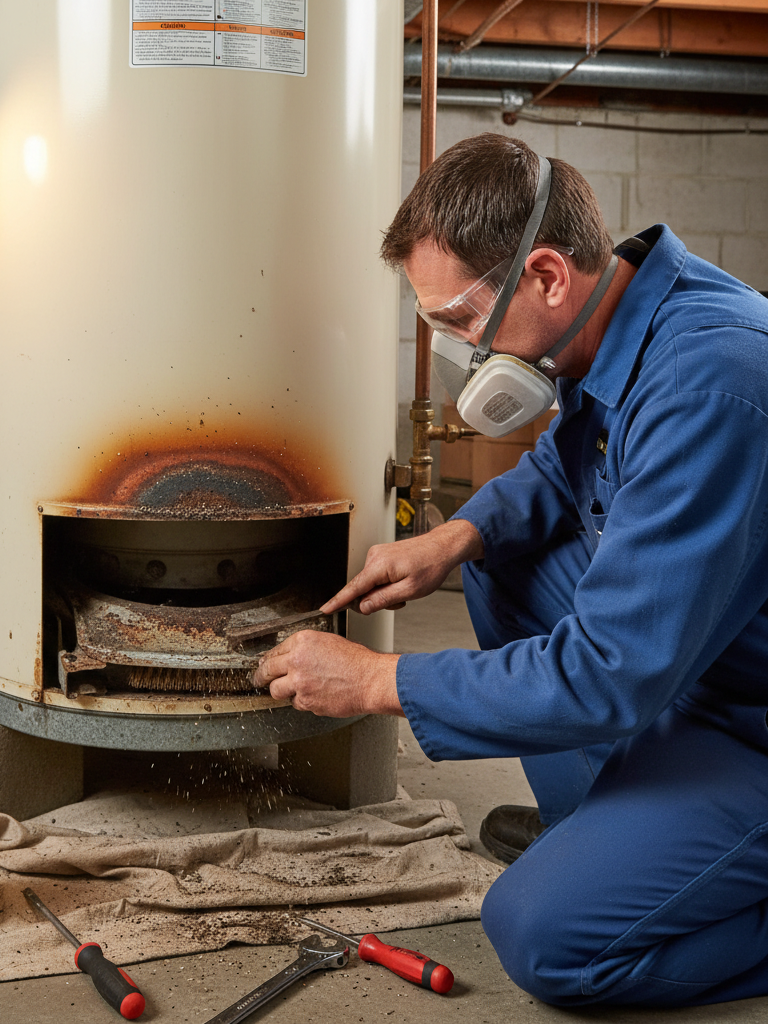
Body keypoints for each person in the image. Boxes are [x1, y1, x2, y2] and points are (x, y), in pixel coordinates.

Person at [252, 133, 768, 1008]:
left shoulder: (708, 383)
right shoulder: (616, 318)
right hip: (709, 662)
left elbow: (610, 674)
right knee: (502, 560)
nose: (459, 348)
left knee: (544, 937)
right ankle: (608, 834)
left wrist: (383, 680)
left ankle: (652, 876)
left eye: (458, 320)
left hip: (747, 719)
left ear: (547, 275)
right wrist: (456, 536)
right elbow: (568, 464)